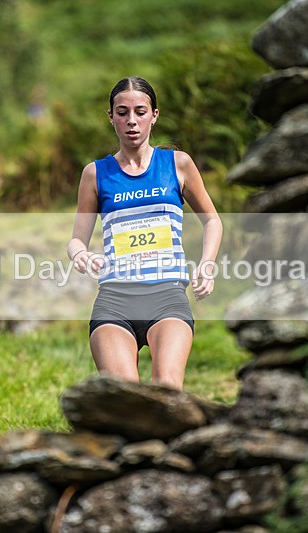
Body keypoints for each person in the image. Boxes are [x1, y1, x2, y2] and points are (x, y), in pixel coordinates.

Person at [67, 76, 222, 391]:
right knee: (124, 399)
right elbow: (75, 240)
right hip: (114, 301)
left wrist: (207, 263)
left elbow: (212, 220)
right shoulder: (95, 173)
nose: (131, 121)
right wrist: (81, 255)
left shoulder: (177, 165)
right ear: (111, 117)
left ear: (155, 115)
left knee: (167, 391)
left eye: (140, 111)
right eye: (122, 112)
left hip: (167, 297)